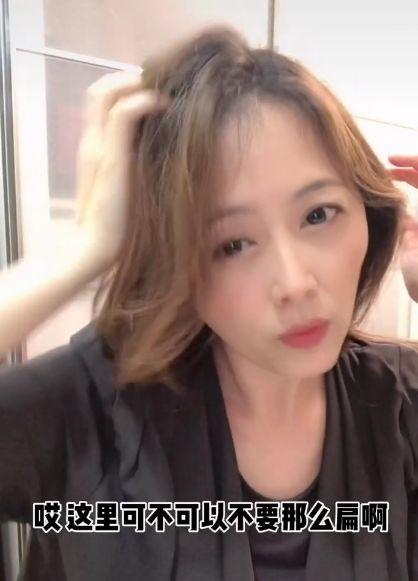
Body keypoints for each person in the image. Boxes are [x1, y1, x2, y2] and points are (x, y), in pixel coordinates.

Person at [1, 24, 418, 581]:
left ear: (369, 211)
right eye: (232, 245)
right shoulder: (95, 409)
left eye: (318, 215)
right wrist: (81, 252)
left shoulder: (400, 404)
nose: (294, 283)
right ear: (177, 261)